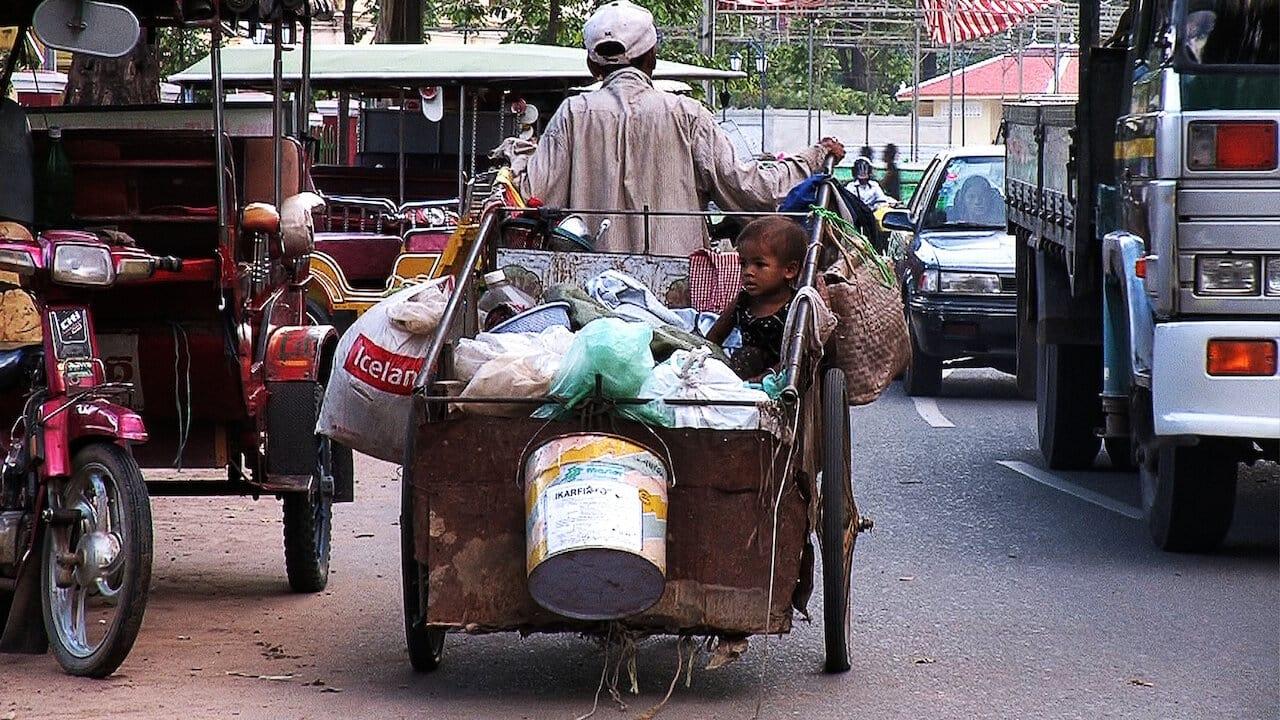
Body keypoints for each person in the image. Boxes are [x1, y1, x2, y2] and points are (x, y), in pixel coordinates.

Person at [517, 0, 844, 256]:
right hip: (677, 294)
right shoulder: (687, 114)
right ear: (652, 58)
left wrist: (517, 153)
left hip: (586, 289)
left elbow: (532, 198)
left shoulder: (572, 114)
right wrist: (814, 159)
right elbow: (751, 191)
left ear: (592, 65)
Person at [706, 216, 806, 380]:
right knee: (746, 355)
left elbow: (796, 357)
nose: (748, 272)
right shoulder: (743, 301)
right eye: (743, 263)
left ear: (789, 270)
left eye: (759, 265)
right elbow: (714, 337)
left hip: (783, 376)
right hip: (744, 375)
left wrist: (763, 378)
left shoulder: (796, 306)